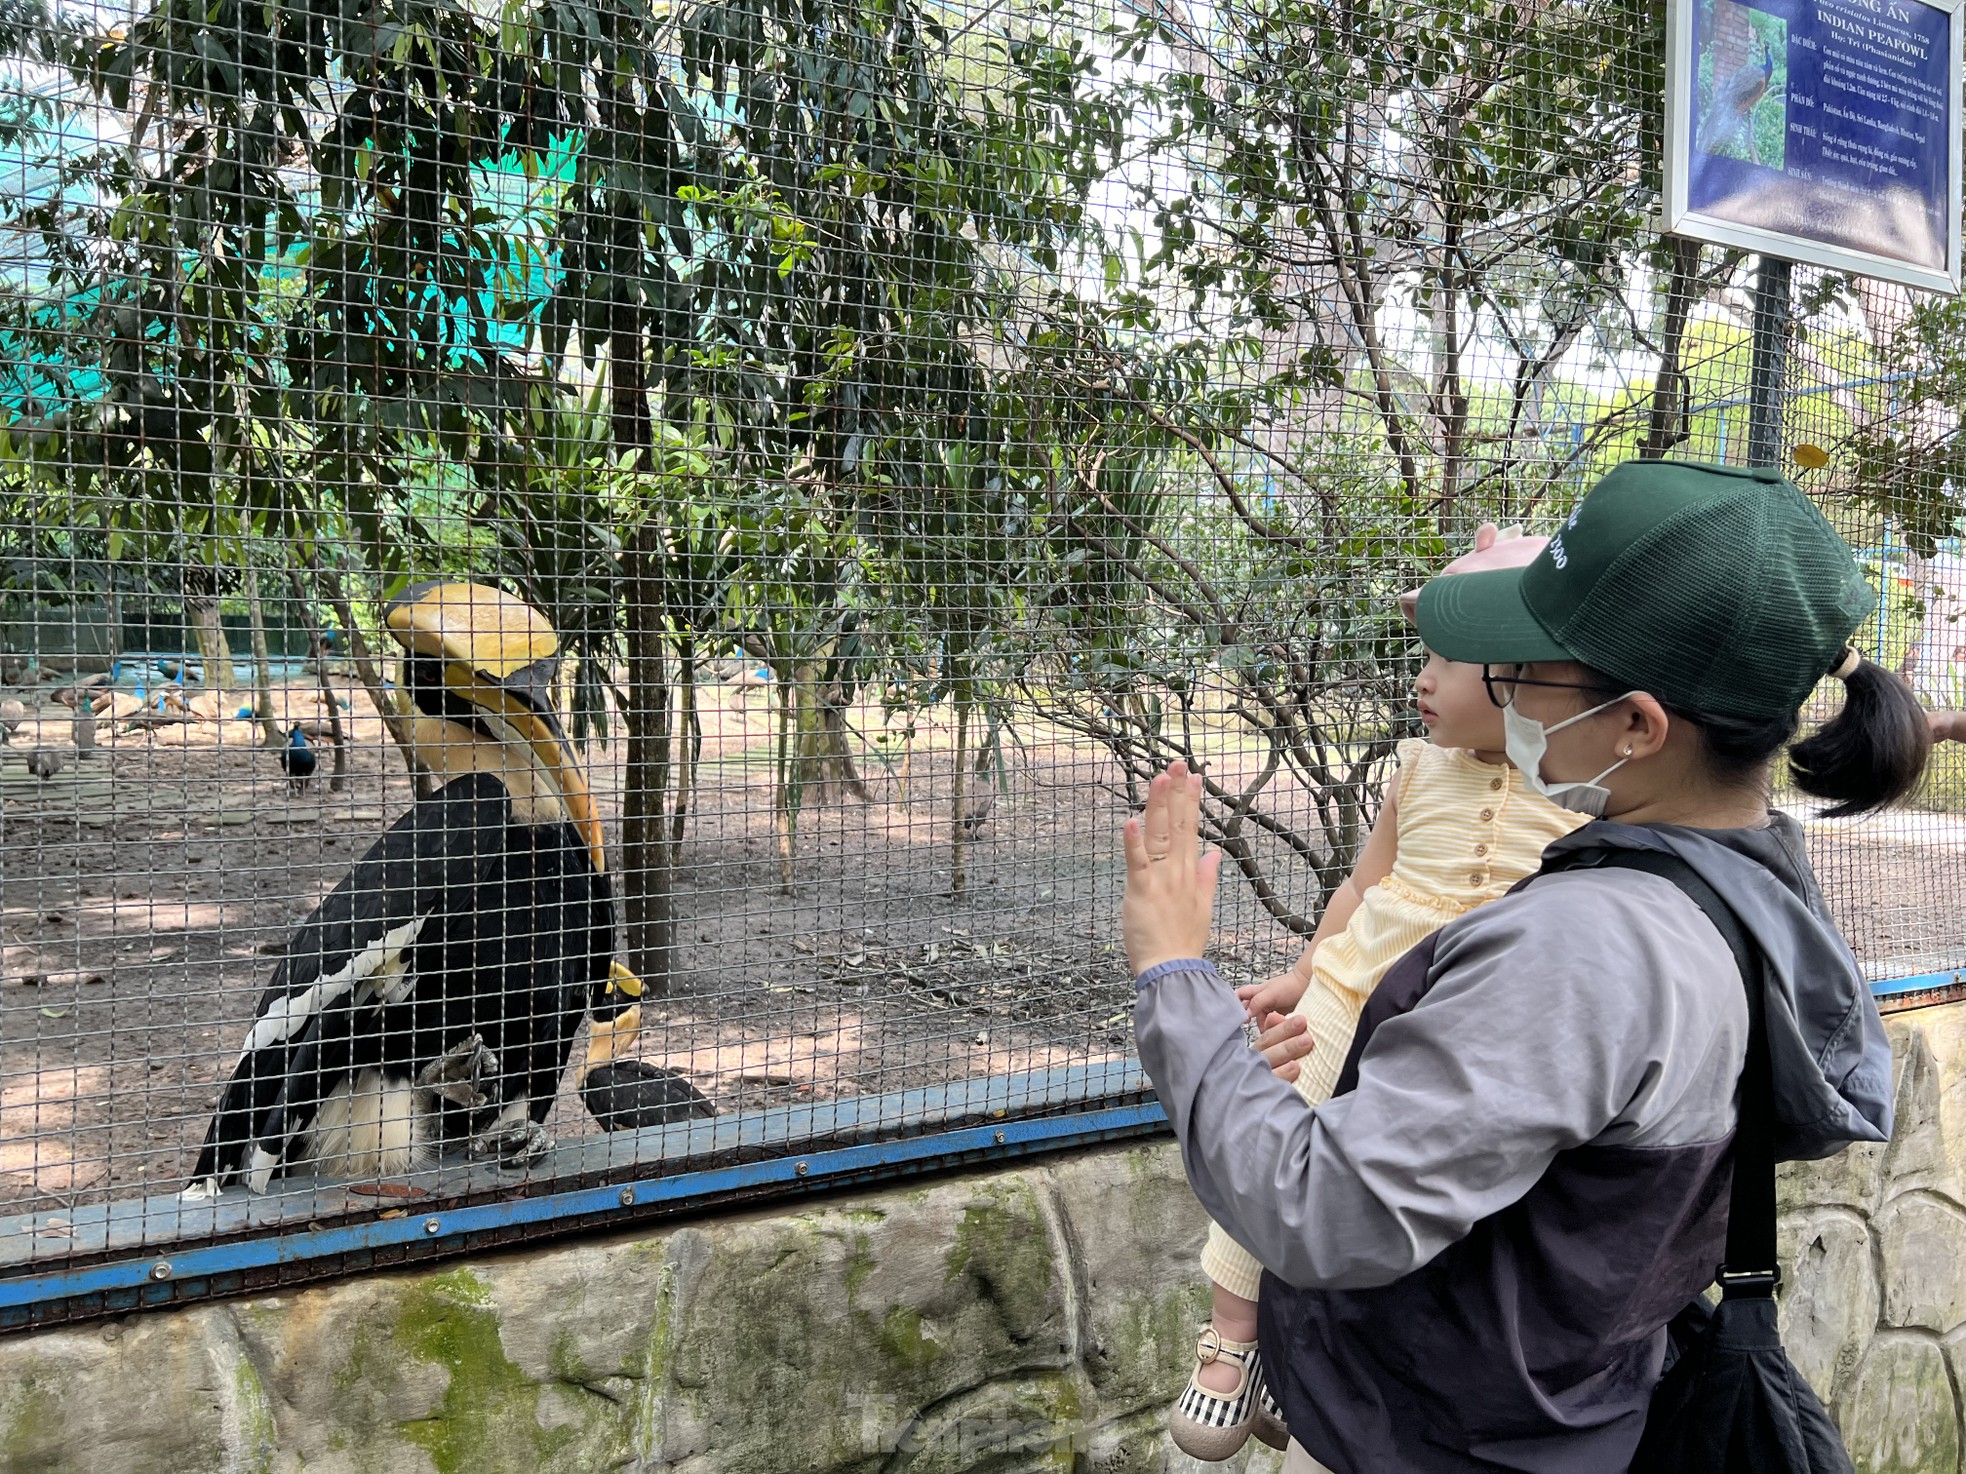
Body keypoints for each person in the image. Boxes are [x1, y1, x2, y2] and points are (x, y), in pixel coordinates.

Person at [1123, 459, 1930, 1474]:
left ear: (1636, 724)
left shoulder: (1585, 948)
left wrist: (1172, 977)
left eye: (1522, 669)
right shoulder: (1753, 898)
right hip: (1564, 1412)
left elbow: (1321, 1209)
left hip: (1439, 1439)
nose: (1498, 687)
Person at [1170, 529, 1589, 1460]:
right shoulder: (1416, 767)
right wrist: (1303, 974)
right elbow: (1362, 889)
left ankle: (1305, 1353)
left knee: (1386, 1187)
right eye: (1425, 656)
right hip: (1356, 985)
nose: (1423, 679)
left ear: (1536, 677)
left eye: (1449, 659)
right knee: (1279, 1123)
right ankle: (1233, 1340)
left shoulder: (1581, 784)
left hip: (1466, 1011)